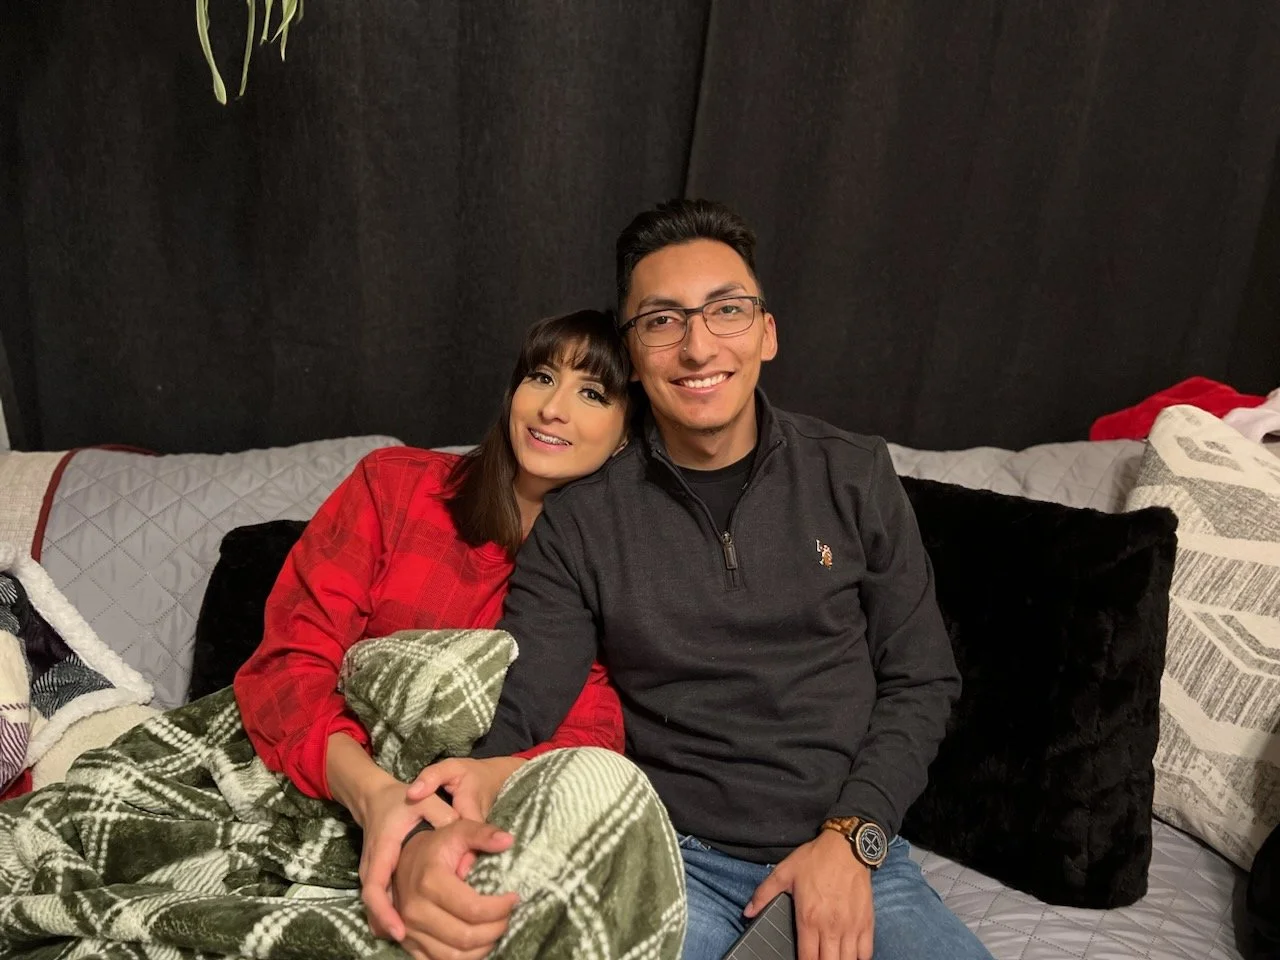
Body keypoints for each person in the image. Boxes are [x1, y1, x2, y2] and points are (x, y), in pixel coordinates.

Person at [402, 199, 995, 960]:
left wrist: (855, 838)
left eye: (727, 310)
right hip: (674, 864)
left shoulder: (854, 474)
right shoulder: (582, 520)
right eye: (662, 321)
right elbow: (520, 711)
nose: (697, 346)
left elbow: (923, 678)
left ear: (766, 332)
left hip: (850, 851)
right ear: (631, 354)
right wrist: (431, 824)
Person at [233, 308, 635, 948]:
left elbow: (592, 737)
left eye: (591, 393)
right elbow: (288, 665)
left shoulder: (603, 575)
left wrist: (464, 800)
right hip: (325, 780)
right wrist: (377, 797)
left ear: (624, 436)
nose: (552, 408)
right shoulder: (394, 486)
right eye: (540, 377)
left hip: (464, 827)